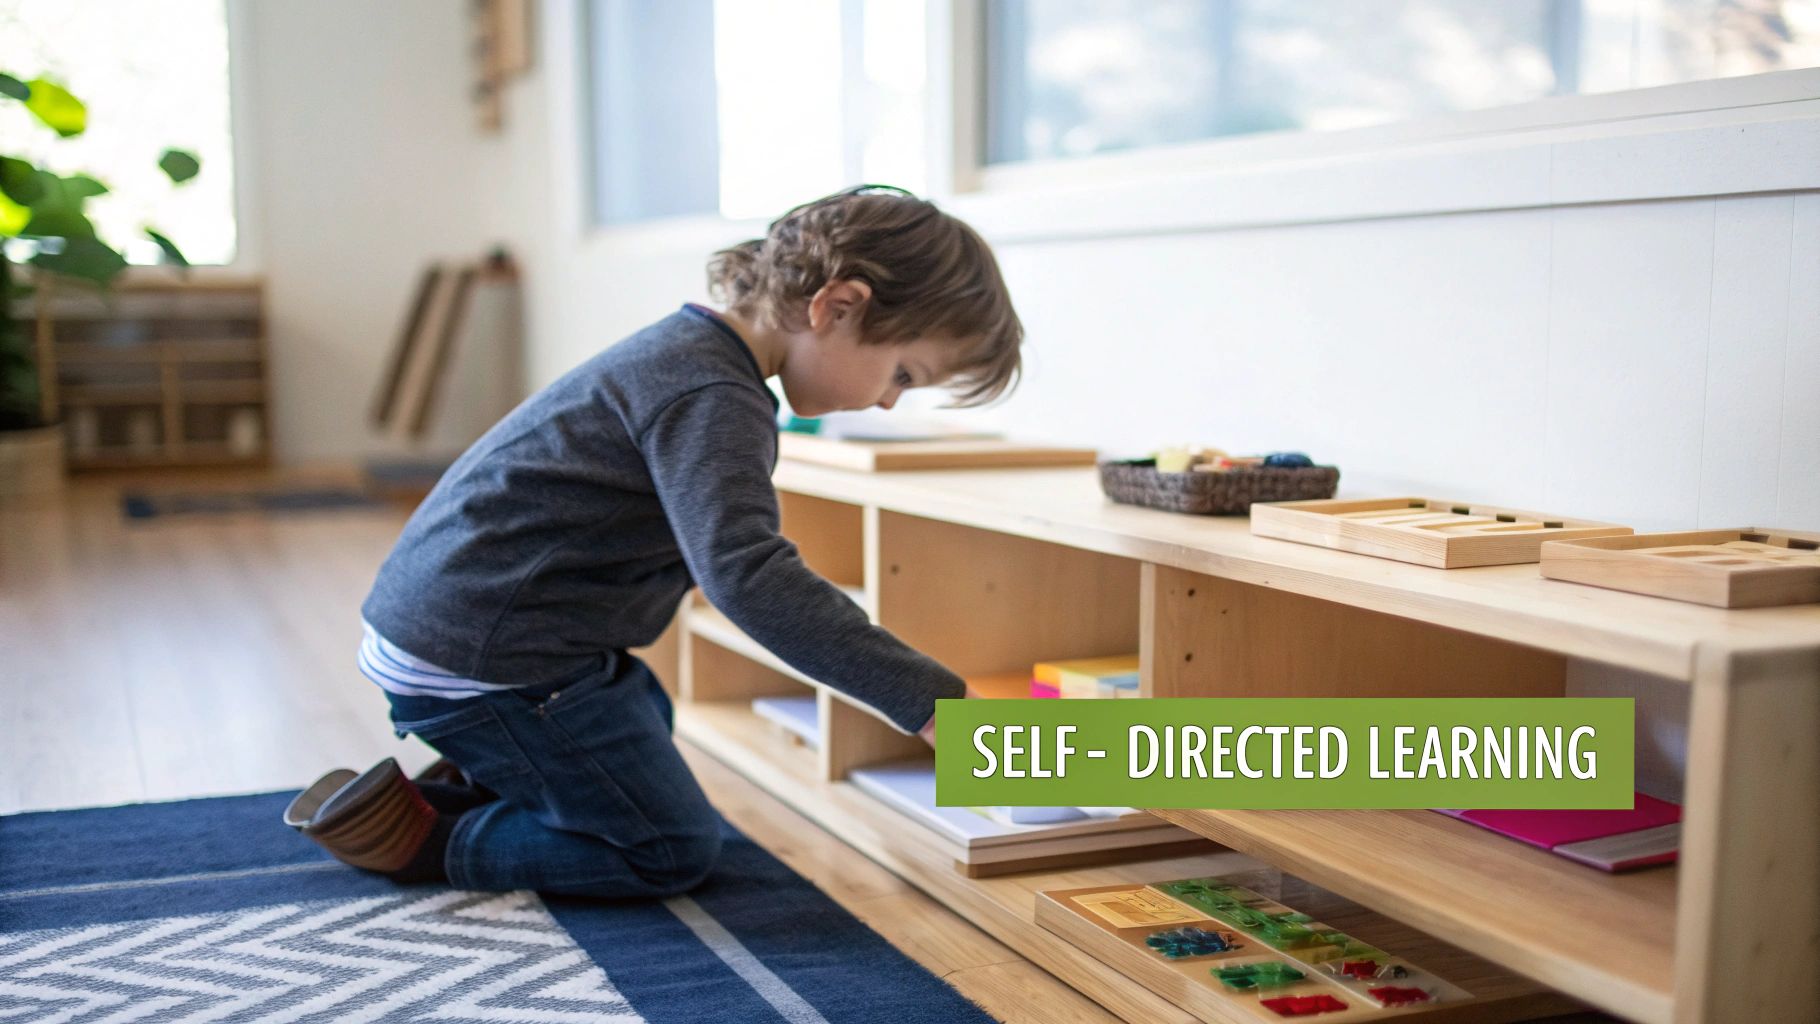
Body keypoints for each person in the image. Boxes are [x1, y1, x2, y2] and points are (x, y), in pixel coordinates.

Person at [284, 185, 1023, 898]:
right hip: (481, 655)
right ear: (837, 305)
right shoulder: (713, 396)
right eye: (901, 374)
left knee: (641, 713)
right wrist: (931, 704)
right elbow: (750, 578)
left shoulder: (692, 356)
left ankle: (490, 775)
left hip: (462, 629)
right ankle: (425, 838)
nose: (889, 400)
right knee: (666, 849)